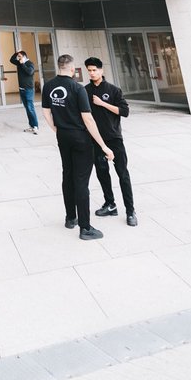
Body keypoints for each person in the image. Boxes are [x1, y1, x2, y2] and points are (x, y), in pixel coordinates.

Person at [41, 53, 115, 240]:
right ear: (73, 69)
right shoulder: (77, 88)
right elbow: (88, 120)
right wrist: (104, 146)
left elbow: (45, 112)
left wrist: (56, 129)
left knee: (68, 175)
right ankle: (85, 228)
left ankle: (70, 218)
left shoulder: (48, 86)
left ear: (59, 67)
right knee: (81, 182)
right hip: (80, 139)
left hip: (63, 137)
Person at [85, 57, 138, 226]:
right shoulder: (85, 91)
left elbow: (125, 111)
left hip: (114, 139)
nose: (92, 73)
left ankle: (130, 211)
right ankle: (110, 204)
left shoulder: (114, 90)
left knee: (123, 174)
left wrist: (102, 103)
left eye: (95, 70)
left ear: (101, 70)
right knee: (102, 174)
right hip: (96, 140)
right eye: (89, 70)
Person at [11, 49, 39, 134]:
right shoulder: (19, 63)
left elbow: (30, 72)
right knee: (27, 108)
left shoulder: (30, 63)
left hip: (28, 89)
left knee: (30, 108)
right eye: (18, 56)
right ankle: (31, 126)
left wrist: (23, 63)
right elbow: (11, 60)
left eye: (20, 56)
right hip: (22, 89)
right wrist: (16, 52)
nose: (18, 58)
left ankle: (35, 126)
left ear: (24, 56)